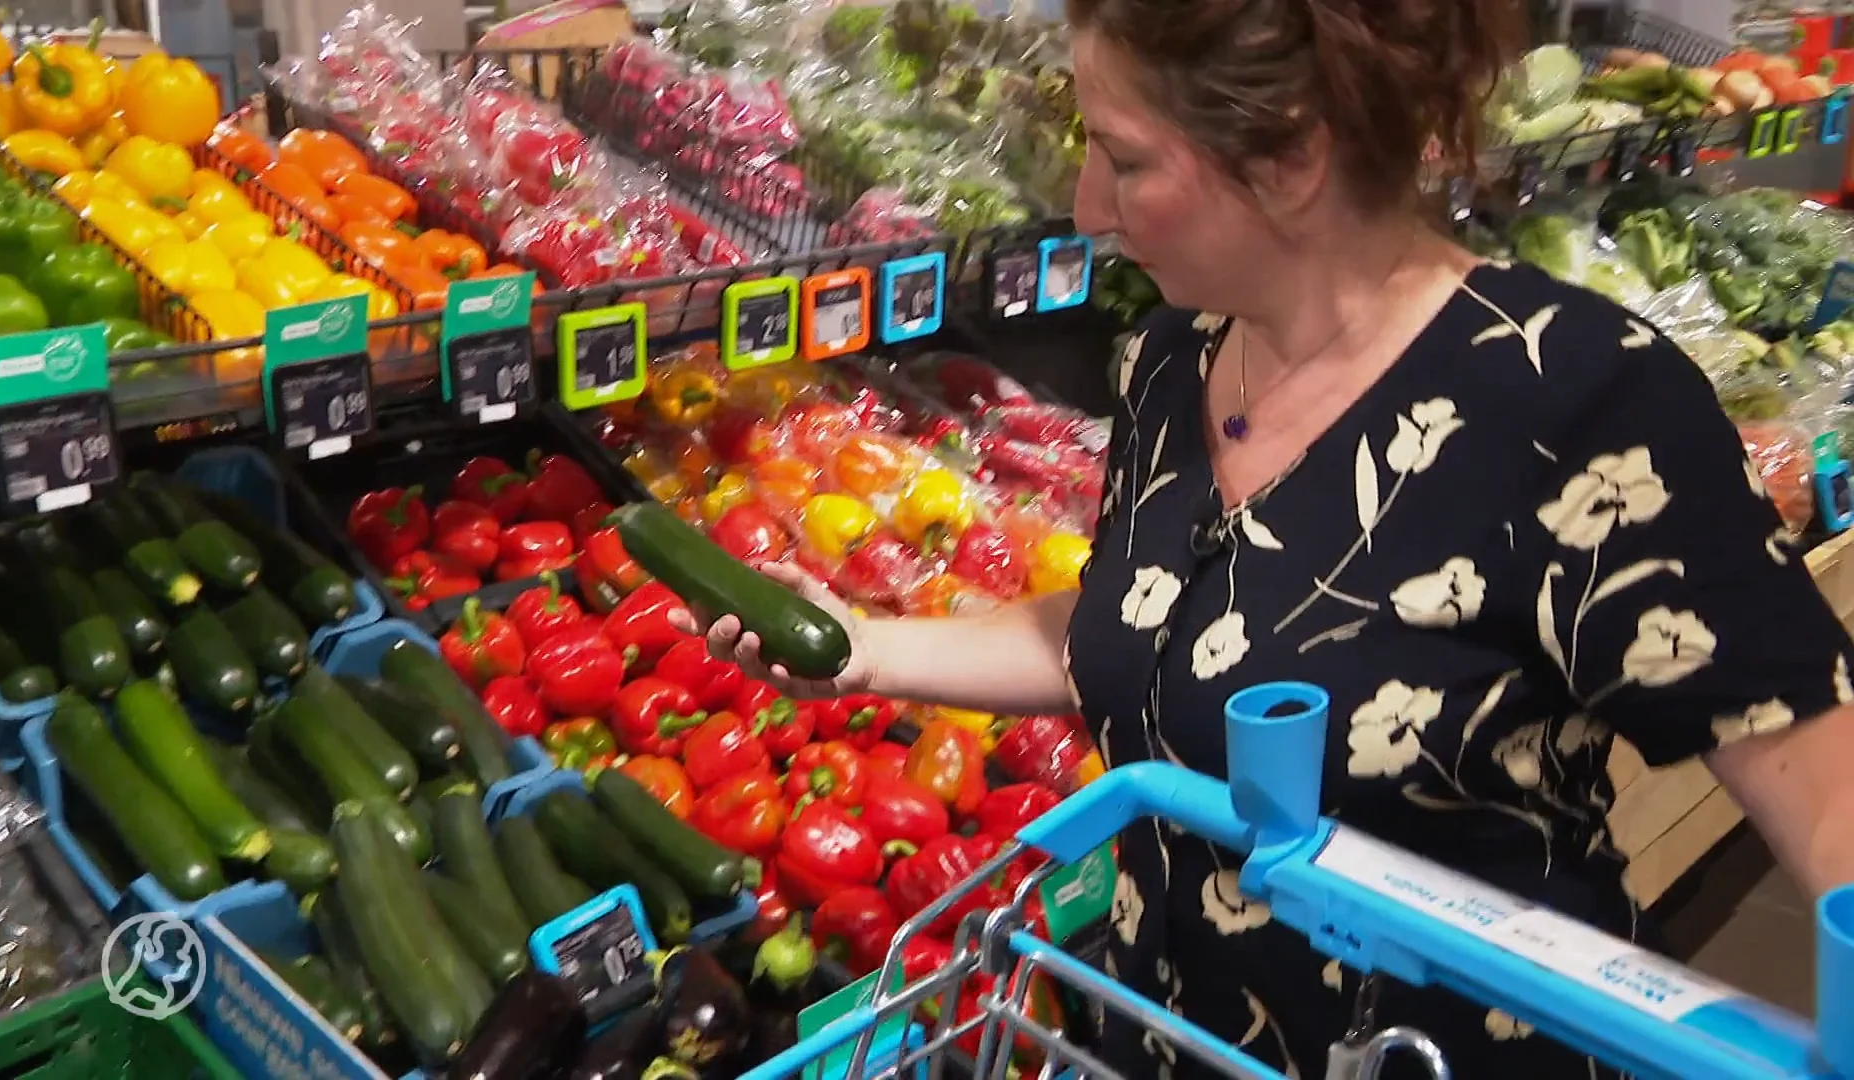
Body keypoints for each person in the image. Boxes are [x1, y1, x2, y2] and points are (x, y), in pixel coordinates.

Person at [676, 0, 1854, 1074]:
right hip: (1164, 1037)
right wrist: (869, 649)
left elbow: (1827, 803)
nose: (1085, 205)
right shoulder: (1179, 357)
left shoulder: (1575, 400)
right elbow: (1138, 629)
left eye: (1126, 160)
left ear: (1292, 158)